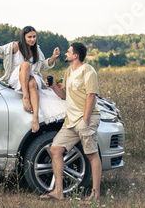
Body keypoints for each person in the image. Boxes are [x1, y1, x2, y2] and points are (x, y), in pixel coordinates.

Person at [40, 42, 101, 204]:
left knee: (91, 154)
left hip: (85, 119)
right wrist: (53, 86)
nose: (65, 54)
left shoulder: (88, 70)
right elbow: (63, 95)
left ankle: (95, 196)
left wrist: (85, 119)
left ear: (75, 55)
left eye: (68, 52)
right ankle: (58, 192)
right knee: (55, 149)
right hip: (71, 121)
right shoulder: (68, 71)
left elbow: (91, 95)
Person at [0, 26, 62, 132]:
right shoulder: (14, 46)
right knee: (26, 65)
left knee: (32, 83)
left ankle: (35, 119)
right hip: (15, 78)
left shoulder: (37, 49)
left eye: (34, 37)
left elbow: (43, 66)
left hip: (31, 77)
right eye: (29, 37)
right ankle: (26, 97)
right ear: (24, 37)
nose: (32, 39)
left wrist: (54, 57)